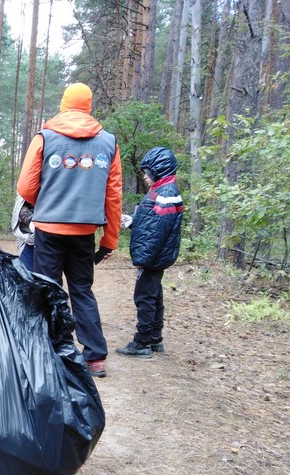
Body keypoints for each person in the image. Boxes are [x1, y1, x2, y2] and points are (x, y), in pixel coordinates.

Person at [17, 82, 122, 378]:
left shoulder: (45, 137)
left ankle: (50, 350)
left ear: (64, 103)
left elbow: (25, 187)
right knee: (81, 290)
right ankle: (94, 357)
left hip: (49, 229)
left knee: (48, 289)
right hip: (85, 231)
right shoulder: (108, 142)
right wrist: (109, 239)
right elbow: (113, 196)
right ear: (88, 106)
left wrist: (48, 201)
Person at [116, 147, 184, 358]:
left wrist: (143, 259)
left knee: (145, 297)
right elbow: (151, 223)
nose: (145, 176)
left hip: (152, 257)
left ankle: (142, 342)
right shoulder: (161, 190)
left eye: (148, 172)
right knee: (154, 295)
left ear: (159, 170)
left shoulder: (166, 193)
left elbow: (158, 231)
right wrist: (132, 222)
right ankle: (155, 338)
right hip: (154, 256)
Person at [11, 194, 35, 271]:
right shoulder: (24, 196)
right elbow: (21, 211)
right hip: (28, 240)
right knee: (27, 273)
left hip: (49, 240)